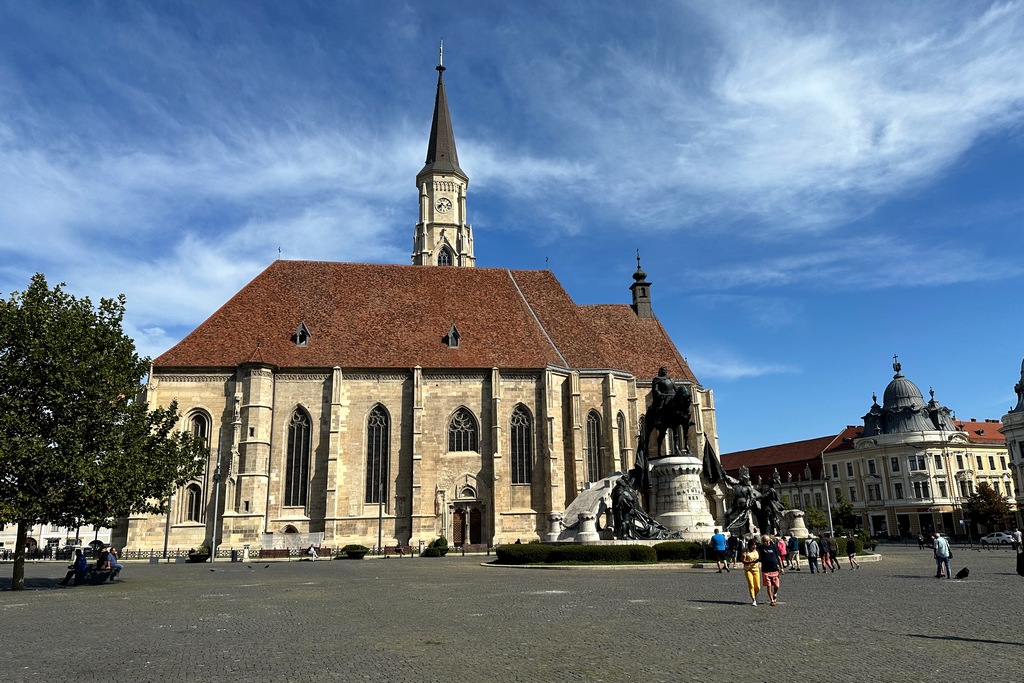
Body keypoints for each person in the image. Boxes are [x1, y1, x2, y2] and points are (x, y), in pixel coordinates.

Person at [758, 534, 783, 606]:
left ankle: (775, 594)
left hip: (775, 569)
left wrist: (781, 567)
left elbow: (778, 557)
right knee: (769, 586)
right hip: (765, 570)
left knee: (776, 585)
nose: (767, 543)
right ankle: (771, 600)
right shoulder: (760, 547)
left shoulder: (774, 546)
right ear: (762, 541)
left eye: (768, 541)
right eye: (765, 541)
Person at [740, 538, 761, 606]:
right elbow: (743, 561)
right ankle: (753, 599)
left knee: (757, 586)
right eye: (753, 545)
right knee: (751, 585)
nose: (754, 546)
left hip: (756, 570)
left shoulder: (757, 551)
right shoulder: (746, 551)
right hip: (748, 570)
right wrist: (752, 562)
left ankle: (754, 594)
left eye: (755, 545)